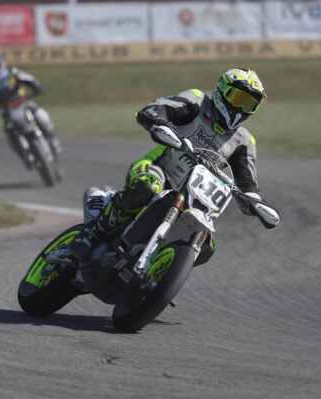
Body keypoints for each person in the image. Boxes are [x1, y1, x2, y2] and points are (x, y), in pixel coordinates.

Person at [48, 67, 271, 268]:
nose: (241, 108)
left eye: (249, 104)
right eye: (238, 98)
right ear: (222, 91)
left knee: (208, 245)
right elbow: (159, 109)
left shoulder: (244, 141)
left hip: (196, 198)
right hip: (158, 169)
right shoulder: (197, 101)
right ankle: (89, 237)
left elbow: (248, 183)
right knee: (146, 187)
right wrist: (159, 121)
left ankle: (159, 271)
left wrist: (254, 201)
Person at [0, 53, 62, 168]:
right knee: (9, 134)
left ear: (2, 64)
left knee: (42, 116)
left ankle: (52, 138)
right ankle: (24, 156)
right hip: (7, 112)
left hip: (23, 102)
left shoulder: (13, 74)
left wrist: (37, 88)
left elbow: (30, 79)